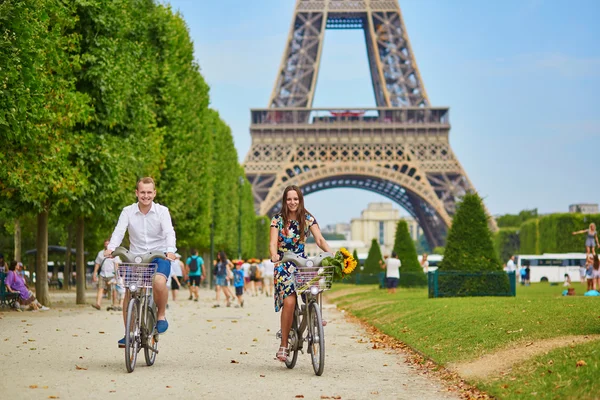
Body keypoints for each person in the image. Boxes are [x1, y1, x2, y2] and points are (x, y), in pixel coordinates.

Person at [104, 176, 177, 348]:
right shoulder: (127, 211)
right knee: (129, 291)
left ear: (154, 193)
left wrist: (170, 251)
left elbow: (169, 232)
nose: (146, 196)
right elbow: (119, 231)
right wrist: (112, 247)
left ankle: (161, 315)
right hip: (135, 257)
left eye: (149, 192)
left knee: (159, 282)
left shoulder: (162, 211)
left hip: (159, 255)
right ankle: (128, 334)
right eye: (142, 192)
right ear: (136, 193)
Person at [269, 185, 332, 362]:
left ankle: (315, 318)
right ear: (284, 200)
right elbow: (273, 242)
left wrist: (332, 254)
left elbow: (319, 239)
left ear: (300, 200)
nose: (292, 202)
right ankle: (283, 345)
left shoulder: (307, 218)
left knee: (314, 289)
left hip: (301, 264)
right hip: (283, 263)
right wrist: (274, 255)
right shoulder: (277, 220)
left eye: (295, 199)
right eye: (289, 199)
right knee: (289, 301)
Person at [92, 239, 121, 311]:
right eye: (105, 244)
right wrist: (94, 273)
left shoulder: (114, 253)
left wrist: (116, 275)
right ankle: (98, 304)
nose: (106, 245)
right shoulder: (100, 253)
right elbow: (97, 264)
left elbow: (116, 264)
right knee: (100, 288)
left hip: (112, 274)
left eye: (108, 244)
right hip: (103, 274)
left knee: (114, 290)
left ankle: (114, 304)